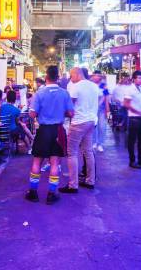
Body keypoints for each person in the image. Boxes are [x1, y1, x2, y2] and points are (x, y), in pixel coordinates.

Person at [26, 66, 74, 205]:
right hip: (58, 131)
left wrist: (41, 112)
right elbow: (71, 113)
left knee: (37, 162)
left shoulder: (39, 93)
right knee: (55, 162)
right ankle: (52, 194)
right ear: (58, 77)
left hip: (43, 130)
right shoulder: (64, 93)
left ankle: (33, 192)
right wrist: (59, 113)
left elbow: (32, 114)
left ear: (46, 77)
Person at [60, 67, 100, 193]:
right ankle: (90, 181)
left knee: (72, 152)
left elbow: (69, 106)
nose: (71, 79)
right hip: (91, 121)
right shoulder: (94, 86)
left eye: (71, 76)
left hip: (78, 122)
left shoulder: (76, 87)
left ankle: (73, 184)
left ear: (77, 74)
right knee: (88, 151)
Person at [123, 71, 141, 169]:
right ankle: (132, 161)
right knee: (132, 141)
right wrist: (138, 112)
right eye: (138, 78)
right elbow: (126, 104)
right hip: (134, 118)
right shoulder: (129, 89)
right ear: (134, 79)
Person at [90, 71, 109, 152]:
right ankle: (94, 142)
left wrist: (107, 108)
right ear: (93, 76)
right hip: (92, 109)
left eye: (99, 76)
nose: (97, 77)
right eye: (95, 75)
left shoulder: (104, 85)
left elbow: (106, 96)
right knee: (93, 126)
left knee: (102, 126)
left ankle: (100, 143)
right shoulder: (89, 85)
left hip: (102, 108)